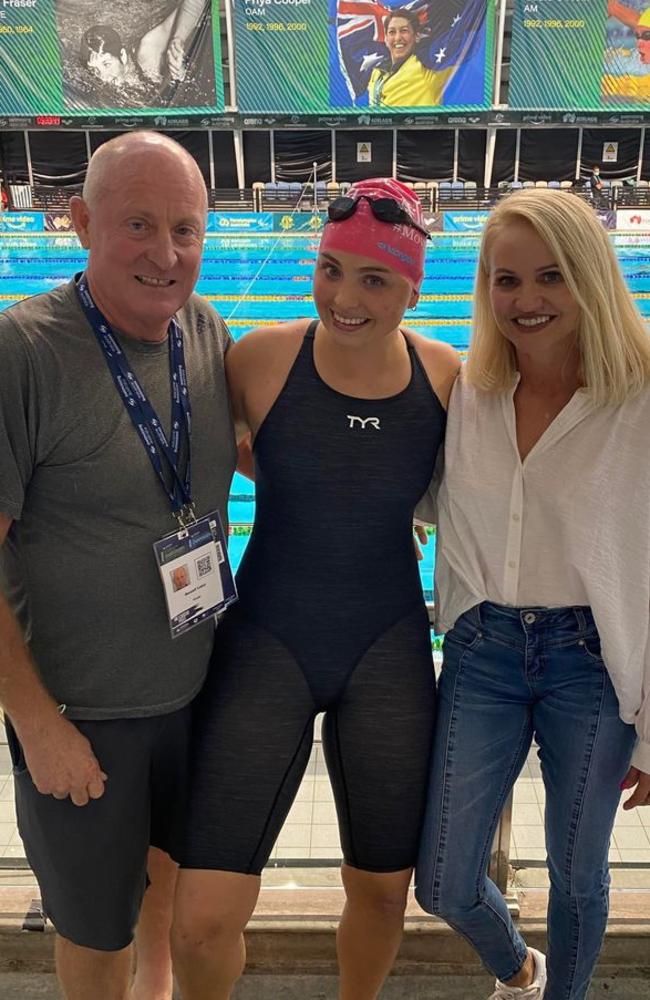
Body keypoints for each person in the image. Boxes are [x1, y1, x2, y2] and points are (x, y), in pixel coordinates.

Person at [170, 178, 460, 1000]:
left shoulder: (446, 380)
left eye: (374, 279)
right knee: (199, 918)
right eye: (331, 269)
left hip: (389, 653)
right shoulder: (257, 360)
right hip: (266, 644)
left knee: (379, 890)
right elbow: (212, 463)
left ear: (413, 286)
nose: (345, 296)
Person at [0, 131, 236, 1000]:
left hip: (195, 695)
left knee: (167, 899)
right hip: (81, 716)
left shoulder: (203, 330)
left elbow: (247, 449)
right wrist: (36, 723)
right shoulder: (25, 353)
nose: (166, 254)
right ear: (78, 222)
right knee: (95, 929)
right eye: (139, 225)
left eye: (186, 227)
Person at [415, 188, 650, 1000]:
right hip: (482, 654)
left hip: (593, 666)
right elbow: (406, 496)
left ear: (589, 276)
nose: (525, 300)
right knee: (442, 880)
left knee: (577, 876)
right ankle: (519, 967)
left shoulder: (641, 399)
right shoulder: (469, 396)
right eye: (505, 280)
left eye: (549, 276)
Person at [80, 0, 206, 93]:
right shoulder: (102, 85)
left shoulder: (148, 52)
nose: (103, 77)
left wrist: (178, 40)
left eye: (106, 64)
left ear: (122, 56)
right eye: (96, 70)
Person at [368, 10, 453, 107]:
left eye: (404, 31)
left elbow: (463, 45)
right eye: (392, 32)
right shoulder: (376, 73)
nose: (398, 38)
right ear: (386, 39)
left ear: (416, 36)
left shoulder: (427, 68)